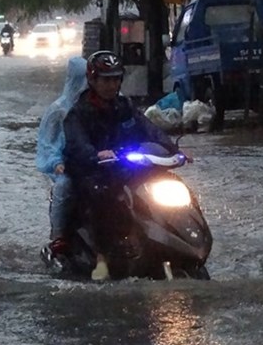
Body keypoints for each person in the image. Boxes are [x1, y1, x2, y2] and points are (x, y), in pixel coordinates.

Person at [62, 50, 180, 280]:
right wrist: (96, 155)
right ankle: (104, 253)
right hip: (94, 172)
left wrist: (174, 149)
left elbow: (149, 129)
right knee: (104, 194)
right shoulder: (78, 113)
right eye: (106, 80)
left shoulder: (125, 106)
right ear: (93, 80)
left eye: (116, 79)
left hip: (125, 166)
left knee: (162, 183)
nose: (112, 85)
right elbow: (77, 144)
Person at [37, 57, 87, 264]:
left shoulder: (109, 104)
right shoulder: (59, 110)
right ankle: (59, 237)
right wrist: (56, 162)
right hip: (69, 164)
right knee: (64, 186)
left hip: (98, 162)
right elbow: (47, 143)